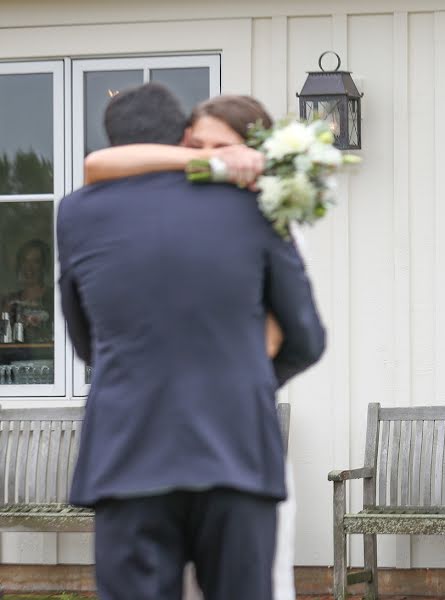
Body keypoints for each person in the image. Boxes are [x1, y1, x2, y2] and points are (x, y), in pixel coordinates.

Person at [56, 82, 325, 600]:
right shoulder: (252, 204)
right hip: (236, 453)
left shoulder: (77, 214)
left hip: (126, 455)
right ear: (183, 137)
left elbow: (86, 341)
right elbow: (306, 338)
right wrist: (244, 379)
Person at [1, 239, 54, 343]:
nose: (29, 267)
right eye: (24, 261)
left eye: (36, 261)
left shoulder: (54, 298)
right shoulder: (10, 300)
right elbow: (2, 336)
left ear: (44, 266)